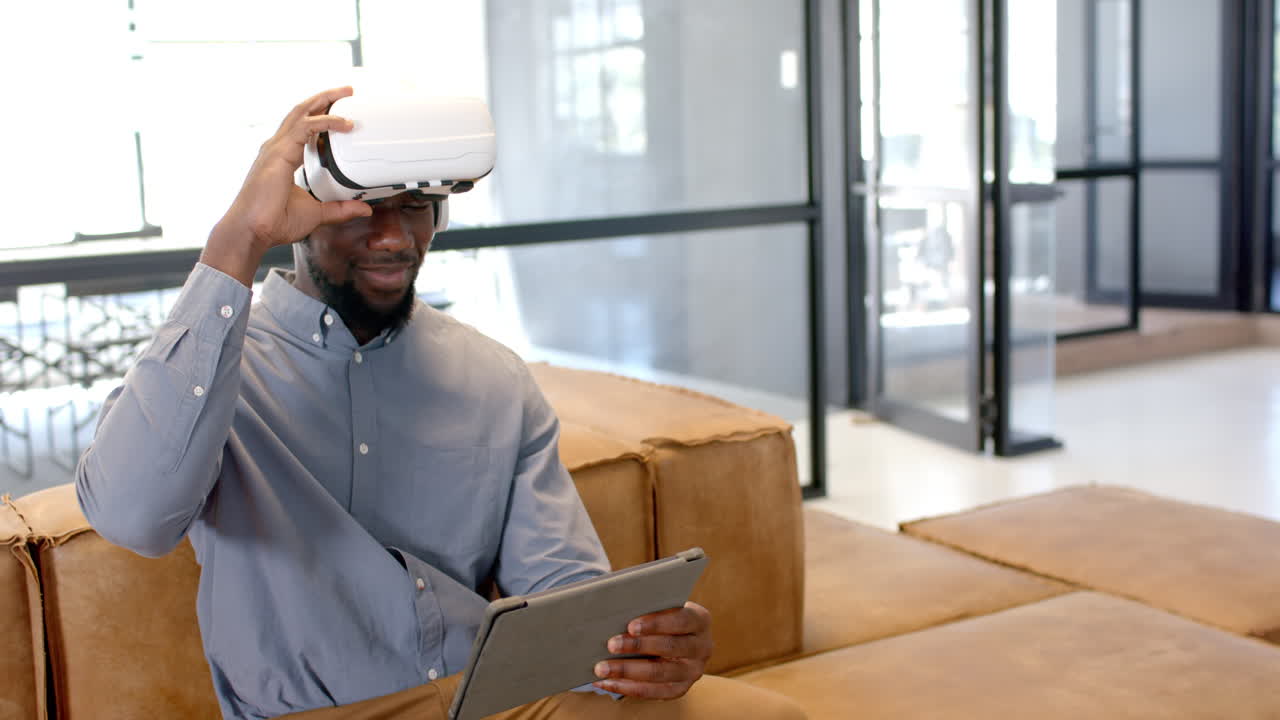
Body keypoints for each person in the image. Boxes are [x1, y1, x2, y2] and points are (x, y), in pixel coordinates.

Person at [75, 87, 807, 720]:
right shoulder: (211, 374)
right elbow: (132, 518)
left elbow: (560, 590)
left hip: (491, 698)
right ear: (296, 213)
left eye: (419, 206)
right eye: (364, 207)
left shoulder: (494, 379)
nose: (394, 237)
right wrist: (238, 238)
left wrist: (638, 646)